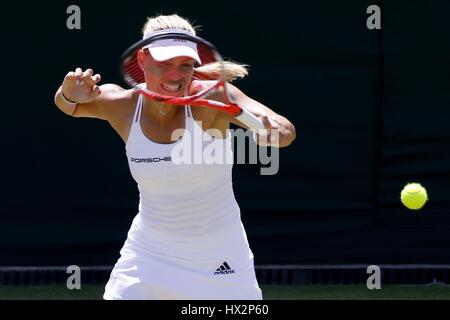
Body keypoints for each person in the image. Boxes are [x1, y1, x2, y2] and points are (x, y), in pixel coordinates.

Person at [54, 14, 296, 300]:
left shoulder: (216, 96)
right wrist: (69, 92)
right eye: (164, 63)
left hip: (220, 258)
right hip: (147, 256)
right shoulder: (121, 105)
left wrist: (272, 130)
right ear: (142, 60)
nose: (176, 75)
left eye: (185, 65)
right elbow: (68, 104)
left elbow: (283, 129)